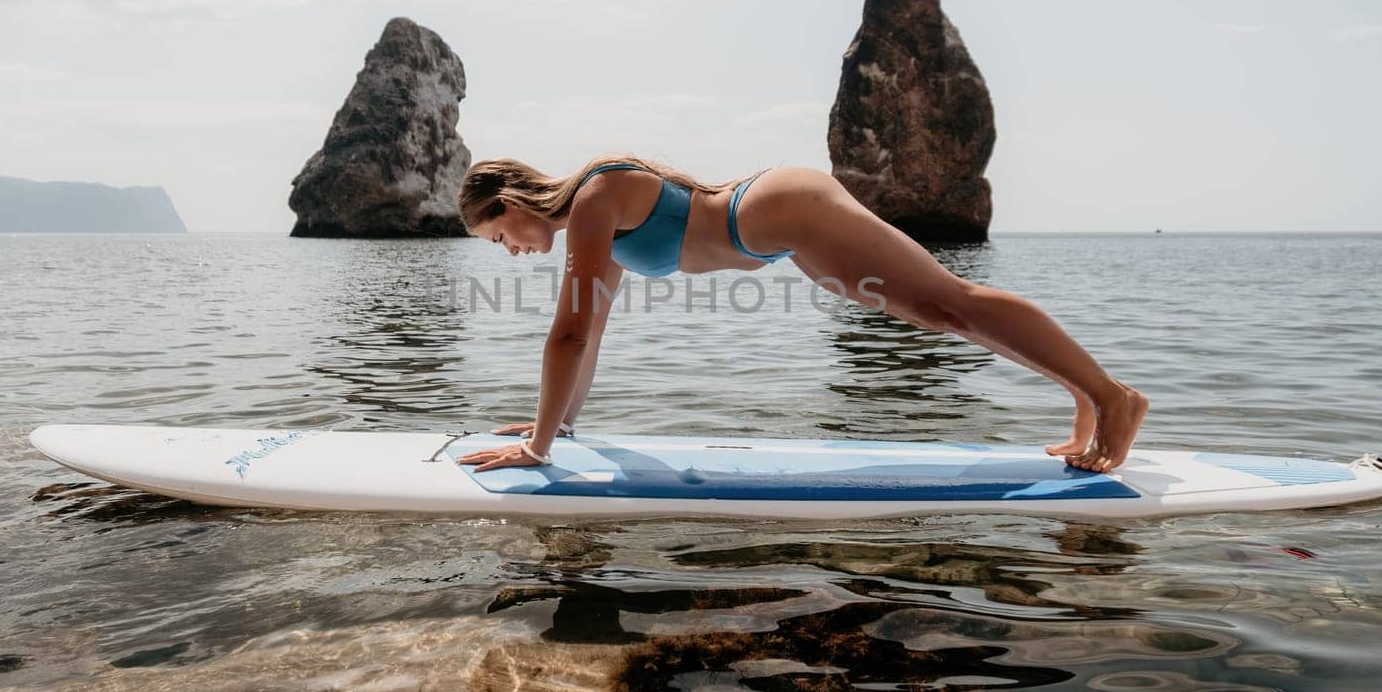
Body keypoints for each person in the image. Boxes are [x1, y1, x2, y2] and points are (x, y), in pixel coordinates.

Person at [453, 153, 1147, 475]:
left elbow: (567, 331)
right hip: (783, 235)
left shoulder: (595, 199)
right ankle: (1088, 398)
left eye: (498, 239)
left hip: (785, 211)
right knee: (942, 314)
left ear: (508, 204)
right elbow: (591, 331)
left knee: (950, 303)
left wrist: (537, 449)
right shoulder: (590, 219)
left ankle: (1112, 397)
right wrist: (561, 423)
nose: (510, 253)